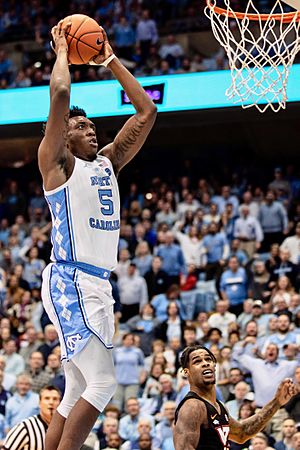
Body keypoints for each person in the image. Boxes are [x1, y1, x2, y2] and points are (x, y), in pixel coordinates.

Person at [38, 20, 157, 450]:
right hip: (71, 279)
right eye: (79, 126)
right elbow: (61, 95)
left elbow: (147, 111)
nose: (90, 129)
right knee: (104, 383)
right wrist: (64, 54)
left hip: (96, 284)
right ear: (62, 138)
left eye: (92, 126)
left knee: (76, 389)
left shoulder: (107, 162)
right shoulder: (57, 164)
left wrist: (108, 58)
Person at [173, 344, 299, 450]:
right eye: (197, 361)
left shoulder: (219, 406)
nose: (205, 363)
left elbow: (242, 433)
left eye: (208, 359)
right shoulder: (192, 406)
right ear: (186, 372)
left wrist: (277, 402)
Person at [2, 385, 61, 450]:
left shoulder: (64, 429)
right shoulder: (25, 427)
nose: (51, 402)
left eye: (55, 399)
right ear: (39, 403)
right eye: (47, 398)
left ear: (60, 403)